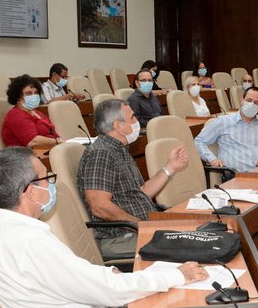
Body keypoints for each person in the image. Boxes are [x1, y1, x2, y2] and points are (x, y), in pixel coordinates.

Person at [0, 147, 207, 308]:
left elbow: (66, 278)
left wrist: (108, 274)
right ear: (30, 191)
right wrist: (179, 274)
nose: (51, 185)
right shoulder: (28, 243)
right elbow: (110, 291)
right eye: (47, 178)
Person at [78, 99, 191, 258]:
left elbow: (141, 192)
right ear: (118, 126)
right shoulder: (101, 153)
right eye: (132, 118)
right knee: (189, 248)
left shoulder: (118, 149)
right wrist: (139, 224)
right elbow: (99, 206)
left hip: (139, 230)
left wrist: (170, 167)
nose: (137, 121)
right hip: (121, 238)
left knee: (200, 234)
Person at [195, 86, 258, 172]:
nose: (252, 104)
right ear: (242, 100)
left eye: (256, 103)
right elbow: (199, 141)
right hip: (234, 177)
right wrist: (212, 159)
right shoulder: (223, 121)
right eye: (249, 100)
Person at [1, 75, 61, 148]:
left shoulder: (37, 113)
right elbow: (33, 141)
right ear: (18, 97)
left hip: (49, 150)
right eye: (28, 93)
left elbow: (53, 134)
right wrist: (59, 142)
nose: (34, 96)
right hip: (24, 156)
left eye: (36, 93)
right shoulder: (16, 115)